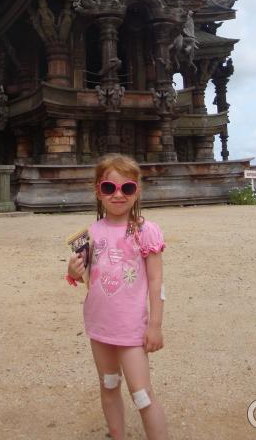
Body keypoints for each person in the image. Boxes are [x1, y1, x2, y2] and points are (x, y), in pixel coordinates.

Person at [67, 154, 169, 439]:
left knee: (142, 395)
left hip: (131, 328)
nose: (118, 195)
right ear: (98, 191)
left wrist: (155, 325)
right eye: (109, 188)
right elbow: (84, 274)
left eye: (127, 188)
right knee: (109, 384)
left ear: (137, 191)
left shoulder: (146, 231)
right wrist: (73, 271)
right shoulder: (90, 233)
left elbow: (156, 280)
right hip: (100, 325)